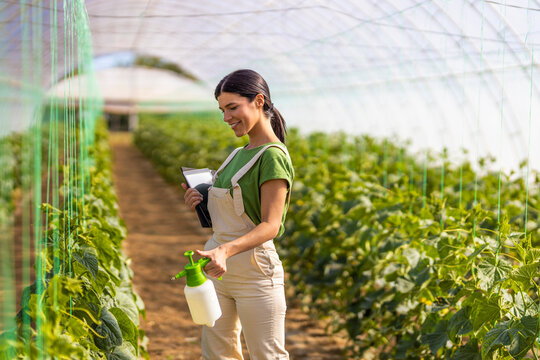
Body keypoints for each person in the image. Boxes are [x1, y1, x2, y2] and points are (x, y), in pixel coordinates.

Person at [181, 69, 294, 360]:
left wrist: (225, 251)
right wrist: (201, 203)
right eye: (222, 110)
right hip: (219, 268)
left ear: (259, 101)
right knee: (217, 354)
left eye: (232, 107)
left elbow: (271, 225)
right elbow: (231, 217)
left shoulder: (272, 156)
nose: (226, 117)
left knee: (266, 355)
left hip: (255, 273)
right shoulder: (237, 154)